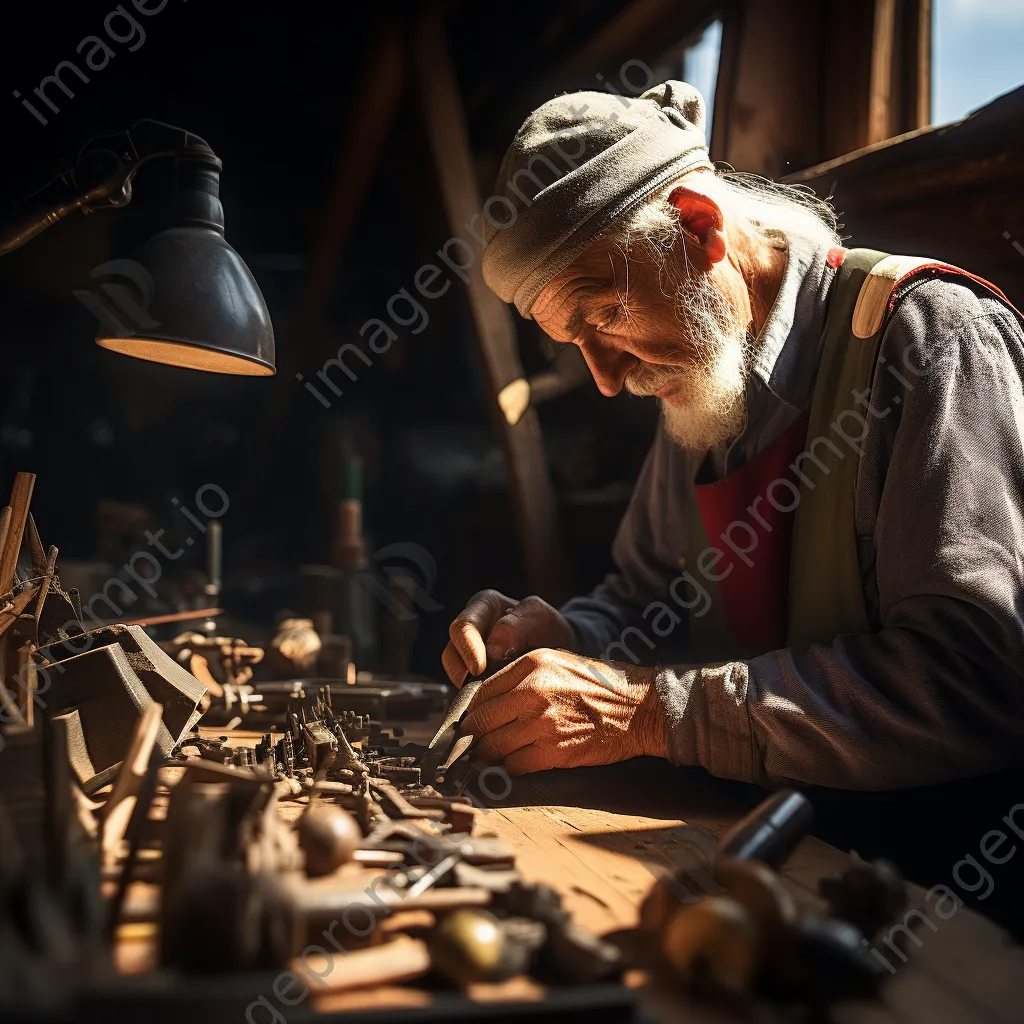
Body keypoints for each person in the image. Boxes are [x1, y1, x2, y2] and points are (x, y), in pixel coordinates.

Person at [441, 81, 1024, 925]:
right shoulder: (694, 371)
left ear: (698, 226)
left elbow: (975, 679)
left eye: (604, 312)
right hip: (762, 855)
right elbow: (644, 599)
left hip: (934, 894)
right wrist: (568, 638)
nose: (607, 380)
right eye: (577, 344)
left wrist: (650, 713)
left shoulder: (928, 340)